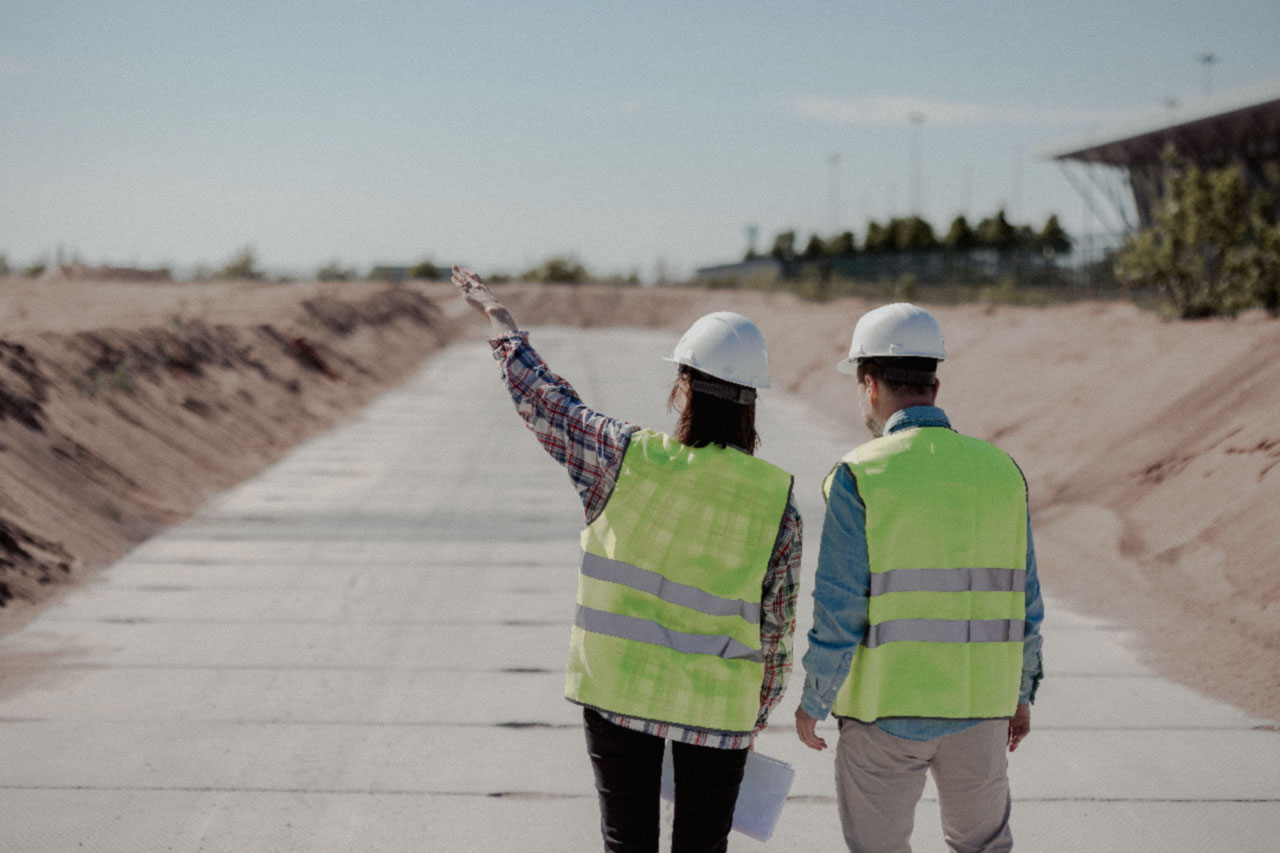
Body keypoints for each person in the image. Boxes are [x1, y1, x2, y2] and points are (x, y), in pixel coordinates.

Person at [452, 266, 802, 853]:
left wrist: (501, 322)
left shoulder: (623, 458)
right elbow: (778, 627)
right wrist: (755, 712)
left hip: (619, 694)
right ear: (752, 402)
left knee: (626, 843)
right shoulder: (776, 502)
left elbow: (549, 404)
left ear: (684, 387)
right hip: (719, 709)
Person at [793, 302, 1044, 853]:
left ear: (868, 383)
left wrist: (815, 697)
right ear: (934, 381)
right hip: (980, 711)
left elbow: (839, 605)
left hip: (883, 715)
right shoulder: (1002, 471)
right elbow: (1026, 598)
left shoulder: (859, 475)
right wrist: (1021, 692)